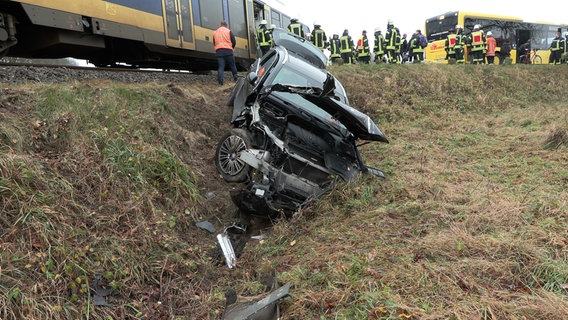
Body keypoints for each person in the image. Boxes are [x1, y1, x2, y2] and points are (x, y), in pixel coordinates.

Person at [213, 21, 238, 85]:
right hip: (228, 51)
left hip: (219, 52)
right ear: (226, 25)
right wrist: (231, 47)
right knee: (232, 65)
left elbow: (214, 43)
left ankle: (220, 81)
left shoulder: (215, 32)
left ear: (220, 25)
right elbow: (234, 41)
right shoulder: (228, 31)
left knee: (221, 66)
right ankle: (235, 78)